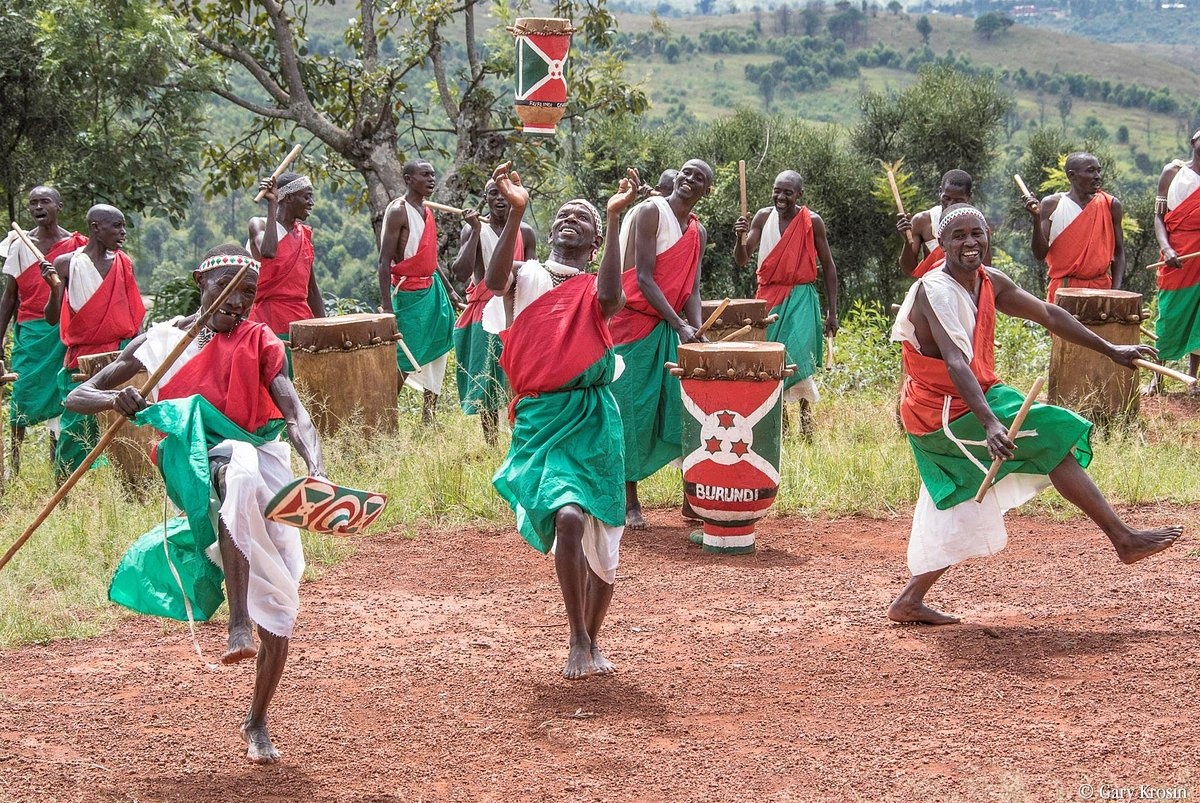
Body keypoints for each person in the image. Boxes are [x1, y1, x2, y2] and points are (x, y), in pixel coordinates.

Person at [64, 244, 326, 764]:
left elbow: (295, 412)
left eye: (250, 294)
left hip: (262, 457)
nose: (240, 302)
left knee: (281, 606)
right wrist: (116, 398)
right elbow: (77, 397)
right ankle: (235, 622)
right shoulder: (160, 340)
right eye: (229, 290)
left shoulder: (260, 339)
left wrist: (315, 468)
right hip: (191, 460)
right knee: (238, 468)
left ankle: (256, 720)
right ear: (200, 284)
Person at [888, 204, 1181, 625]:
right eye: (958, 236)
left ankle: (909, 600)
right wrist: (990, 422)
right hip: (941, 410)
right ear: (943, 244)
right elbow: (953, 361)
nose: (970, 243)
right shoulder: (935, 290)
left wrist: (1112, 350)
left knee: (968, 499)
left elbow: (1049, 314)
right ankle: (1123, 538)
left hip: (975, 394)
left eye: (977, 233)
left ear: (988, 235)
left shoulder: (990, 281)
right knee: (1051, 436)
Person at [483, 162, 630, 679]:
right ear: (550, 232)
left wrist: (615, 218)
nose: (571, 219)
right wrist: (515, 211)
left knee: (605, 541)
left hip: (593, 416)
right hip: (542, 415)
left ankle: (593, 638)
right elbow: (492, 280)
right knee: (568, 516)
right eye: (563, 215)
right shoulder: (526, 276)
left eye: (583, 218)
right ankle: (576, 636)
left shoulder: (594, 284)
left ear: (592, 242)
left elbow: (613, 299)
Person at [611, 160, 711, 529]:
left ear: (707, 190)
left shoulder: (696, 231)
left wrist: (696, 331)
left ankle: (691, 498)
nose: (688, 179)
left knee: (677, 411)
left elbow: (692, 289)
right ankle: (629, 499)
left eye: (698, 178)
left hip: (669, 328)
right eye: (686, 173)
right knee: (633, 410)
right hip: (634, 324)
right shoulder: (652, 211)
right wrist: (679, 323)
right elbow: (643, 277)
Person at [43, 204, 144, 482]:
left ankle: (129, 486)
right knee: (76, 429)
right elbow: (51, 318)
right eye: (116, 226)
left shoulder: (124, 262)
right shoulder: (67, 263)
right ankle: (63, 487)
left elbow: (135, 315)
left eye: (123, 226)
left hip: (120, 355)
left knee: (125, 427)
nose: (122, 232)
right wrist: (54, 289)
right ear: (96, 228)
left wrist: (142, 355)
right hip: (82, 359)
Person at [734, 170, 838, 435]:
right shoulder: (762, 217)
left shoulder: (812, 221)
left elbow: (828, 265)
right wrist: (740, 237)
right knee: (771, 361)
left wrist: (832, 312)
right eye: (777, 190)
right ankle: (780, 423)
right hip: (768, 298)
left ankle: (806, 421)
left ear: (799, 194)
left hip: (801, 297)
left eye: (787, 192)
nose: (780, 197)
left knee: (798, 357)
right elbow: (743, 259)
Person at [0, 186, 87, 471]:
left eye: (45, 201)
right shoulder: (19, 245)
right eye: (33, 203)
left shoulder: (76, 245)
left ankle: (56, 461)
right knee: (22, 393)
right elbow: (10, 296)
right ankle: (13, 464)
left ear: (58, 205)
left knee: (59, 396)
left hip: (62, 331)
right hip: (30, 331)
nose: (38, 206)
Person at [449, 179, 536, 444]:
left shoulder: (526, 232)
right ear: (485, 198)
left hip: (517, 307)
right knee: (487, 381)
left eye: (505, 193)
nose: (500, 198)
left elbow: (533, 272)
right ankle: (491, 442)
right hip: (485, 311)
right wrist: (474, 231)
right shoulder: (473, 228)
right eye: (493, 193)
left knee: (518, 375)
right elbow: (460, 272)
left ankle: (519, 432)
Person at [378, 159, 460, 424]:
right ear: (408, 179)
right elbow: (383, 261)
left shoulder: (426, 210)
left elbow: (429, 258)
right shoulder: (398, 211)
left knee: (438, 349)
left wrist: (449, 289)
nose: (431, 179)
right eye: (425, 174)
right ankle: (386, 415)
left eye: (433, 174)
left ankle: (429, 414)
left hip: (432, 290)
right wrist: (387, 309)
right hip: (408, 293)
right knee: (404, 353)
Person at [247, 171, 326, 371]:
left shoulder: (303, 235)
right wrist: (272, 205)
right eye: (306, 196)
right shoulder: (259, 224)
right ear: (288, 198)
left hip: (301, 322)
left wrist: (324, 327)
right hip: (268, 321)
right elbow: (268, 251)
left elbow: (312, 290)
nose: (311, 202)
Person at [1021, 152, 1125, 303]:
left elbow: (1119, 252)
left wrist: (1115, 292)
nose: (1097, 176)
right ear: (1072, 175)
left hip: (1101, 290)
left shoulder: (1110, 204)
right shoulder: (1052, 204)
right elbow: (1039, 254)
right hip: (1063, 290)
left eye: (1098, 170)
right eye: (1090, 171)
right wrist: (1036, 219)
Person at [1151, 128, 1200, 386]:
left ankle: (1192, 377)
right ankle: (1157, 376)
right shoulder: (1173, 173)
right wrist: (1167, 248)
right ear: (1193, 142)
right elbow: (1159, 216)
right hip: (1178, 255)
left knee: (1199, 320)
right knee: (1169, 314)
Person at [895, 169, 989, 278]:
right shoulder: (923, 221)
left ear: (969, 197)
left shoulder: (978, 223)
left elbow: (985, 270)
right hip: (932, 289)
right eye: (946, 198)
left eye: (958, 200)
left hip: (967, 291)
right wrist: (907, 241)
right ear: (940, 192)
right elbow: (909, 270)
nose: (950, 205)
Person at [618, 168, 679, 267]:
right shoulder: (645, 212)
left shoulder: (683, 222)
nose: (675, 197)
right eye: (670, 191)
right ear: (658, 190)